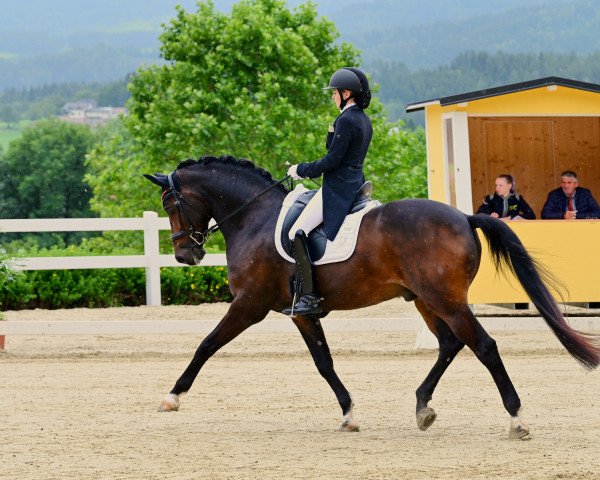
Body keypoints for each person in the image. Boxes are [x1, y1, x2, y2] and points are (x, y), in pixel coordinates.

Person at [282, 67, 373, 317]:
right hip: (354, 182)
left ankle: (309, 297)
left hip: (338, 188)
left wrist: (301, 169)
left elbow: (331, 160)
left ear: (346, 93)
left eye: (335, 93)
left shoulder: (346, 119)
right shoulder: (363, 119)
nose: (333, 97)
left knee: (295, 232)